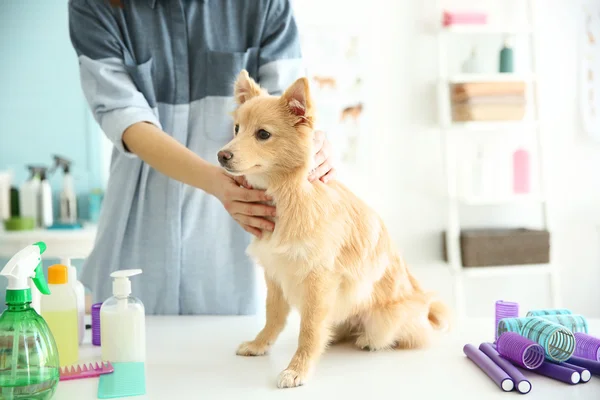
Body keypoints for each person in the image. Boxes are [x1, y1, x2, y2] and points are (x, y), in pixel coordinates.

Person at [68, 0, 336, 315]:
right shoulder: (96, 6)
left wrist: (312, 144)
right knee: (124, 338)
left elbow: (284, 111)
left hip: (235, 233)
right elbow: (124, 116)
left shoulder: (265, 5)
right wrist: (217, 182)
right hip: (139, 225)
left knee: (230, 351)